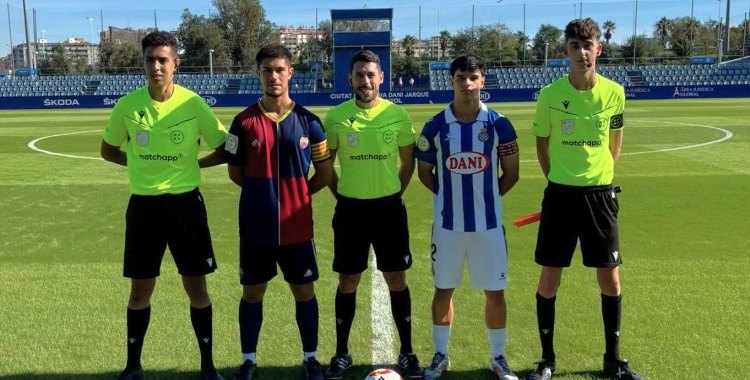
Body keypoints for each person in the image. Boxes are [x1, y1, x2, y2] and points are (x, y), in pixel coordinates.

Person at [100, 31, 227, 380]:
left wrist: (196, 166)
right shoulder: (127, 106)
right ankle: (133, 366)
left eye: (162, 60)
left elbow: (228, 146)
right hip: (144, 208)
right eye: (149, 60)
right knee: (141, 288)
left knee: (196, 287)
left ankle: (208, 366)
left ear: (176, 64)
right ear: (142, 63)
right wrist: (140, 166)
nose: (156, 67)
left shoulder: (194, 104)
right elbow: (108, 150)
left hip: (186, 206)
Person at [527, 18, 645, 380]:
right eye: (575, 46)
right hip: (560, 196)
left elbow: (615, 145)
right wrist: (560, 180)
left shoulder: (615, 93)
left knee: (610, 279)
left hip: (599, 198)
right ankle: (546, 360)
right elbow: (542, 147)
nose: (582, 52)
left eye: (588, 45)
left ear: (599, 49)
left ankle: (613, 361)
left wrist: (598, 179)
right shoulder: (549, 96)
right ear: (566, 51)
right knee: (550, 279)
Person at [224, 43, 333, 380]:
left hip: (297, 226)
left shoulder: (310, 122)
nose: (274, 75)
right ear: (258, 74)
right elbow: (234, 172)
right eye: (267, 70)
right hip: (256, 226)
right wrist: (264, 195)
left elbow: (325, 174)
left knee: (304, 291)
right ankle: (248, 361)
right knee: (252, 292)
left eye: (279, 69)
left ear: (290, 73)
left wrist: (297, 195)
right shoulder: (240, 123)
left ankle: (311, 359)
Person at [415, 54, 520, 380]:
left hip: (488, 227)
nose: (467, 83)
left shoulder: (499, 124)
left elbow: (512, 174)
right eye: (461, 77)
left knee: (495, 292)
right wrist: (451, 200)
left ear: (482, 80)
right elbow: (424, 173)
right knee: (443, 289)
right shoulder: (435, 126)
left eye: (473, 77)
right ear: (452, 81)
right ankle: (441, 356)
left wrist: (485, 199)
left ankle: (498, 357)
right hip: (448, 227)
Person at [322, 50, 422, 379]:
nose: (365, 81)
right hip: (350, 211)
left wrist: (394, 192)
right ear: (349, 79)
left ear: (381, 78)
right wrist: (342, 194)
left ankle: (407, 352)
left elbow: (409, 164)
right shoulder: (335, 117)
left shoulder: (398, 115)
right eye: (359, 75)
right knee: (348, 280)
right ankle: (341, 353)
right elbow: (324, 165)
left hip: (389, 209)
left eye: (370, 75)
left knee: (396, 278)